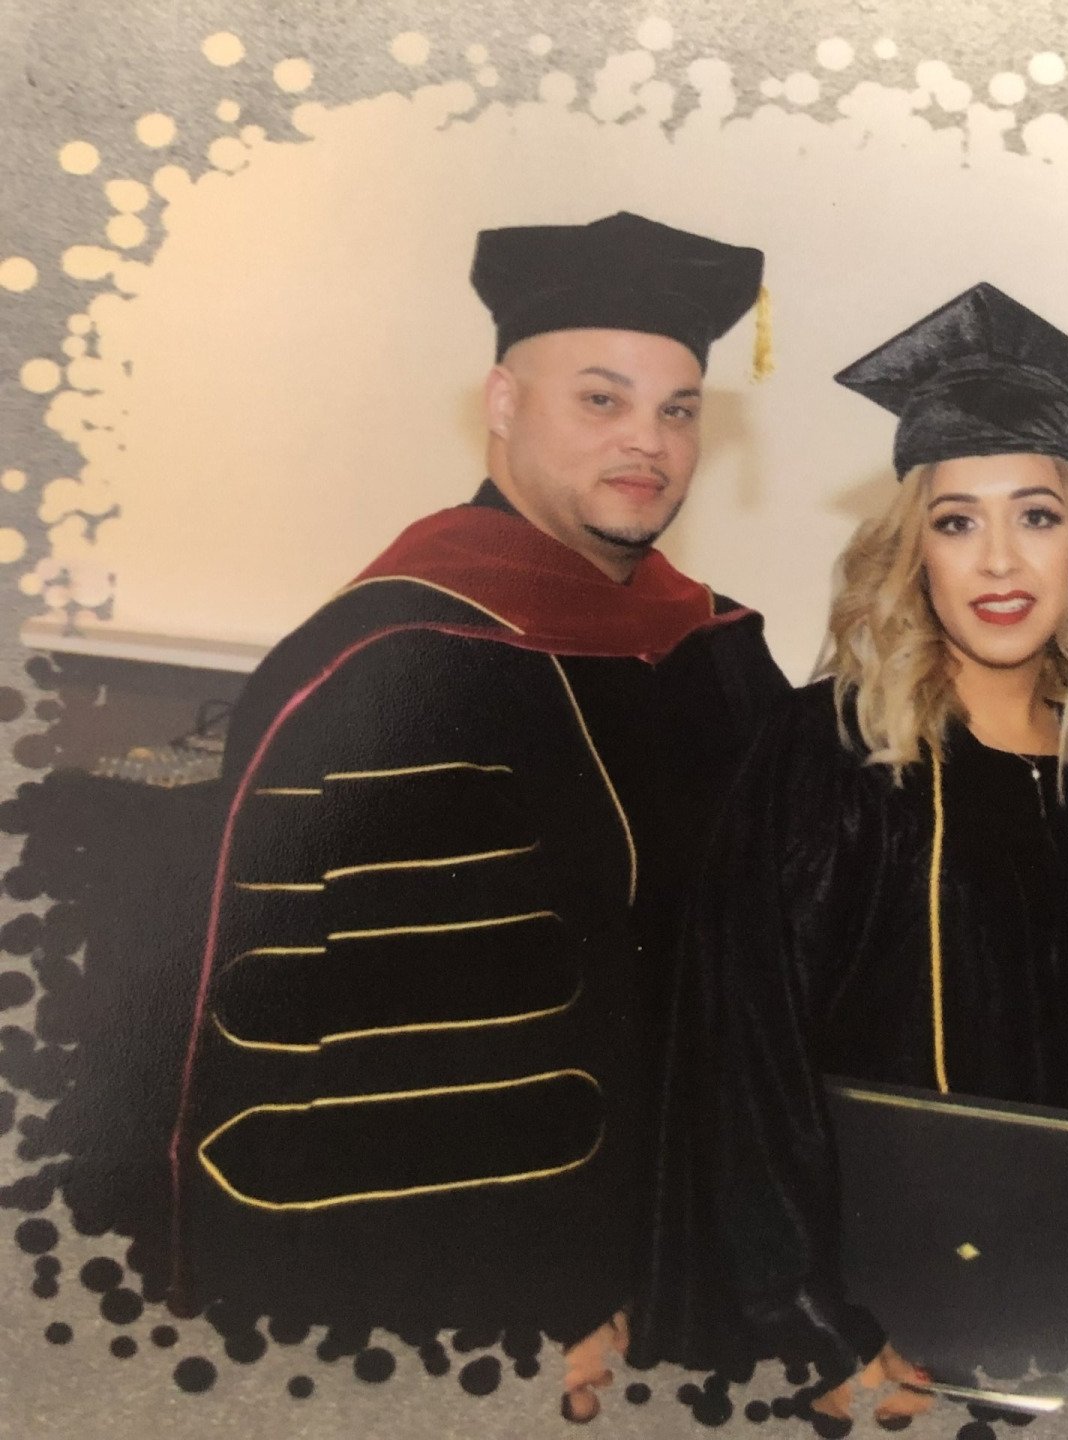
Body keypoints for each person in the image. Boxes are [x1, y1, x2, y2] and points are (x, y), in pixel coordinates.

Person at [165, 211, 789, 1422]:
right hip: (492, 1308)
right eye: (601, 399)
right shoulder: (392, 666)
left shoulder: (717, 654)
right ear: (503, 402)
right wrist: (523, 1302)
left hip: (688, 1271)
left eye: (677, 409)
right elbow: (363, 1058)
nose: (648, 441)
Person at [687, 282, 1068, 1421]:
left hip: (1067, 1319)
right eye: (957, 522)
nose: (999, 561)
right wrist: (813, 1325)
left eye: (1037, 516)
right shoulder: (833, 750)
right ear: (911, 551)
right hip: (874, 1325)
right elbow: (743, 1050)